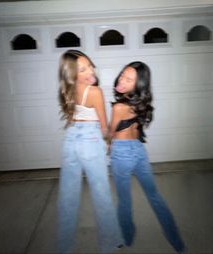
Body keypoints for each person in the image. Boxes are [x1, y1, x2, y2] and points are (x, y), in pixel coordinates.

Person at [109, 61, 185, 253]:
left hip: (122, 153)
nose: (122, 80)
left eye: (129, 79)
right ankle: (177, 243)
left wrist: (104, 139)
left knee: (124, 200)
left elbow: (110, 132)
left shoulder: (119, 107)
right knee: (155, 196)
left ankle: (126, 238)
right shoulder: (141, 103)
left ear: (138, 84)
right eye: (123, 75)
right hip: (139, 151)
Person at [57, 49, 123, 254]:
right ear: (72, 73)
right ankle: (110, 243)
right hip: (90, 140)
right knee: (101, 193)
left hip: (70, 140)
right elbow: (103, 127)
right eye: (82, 69)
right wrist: (110, 140)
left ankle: (64, 247)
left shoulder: (67, 90)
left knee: (68, 197)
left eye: (90, 65)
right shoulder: (94, 91)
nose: (90, 71)